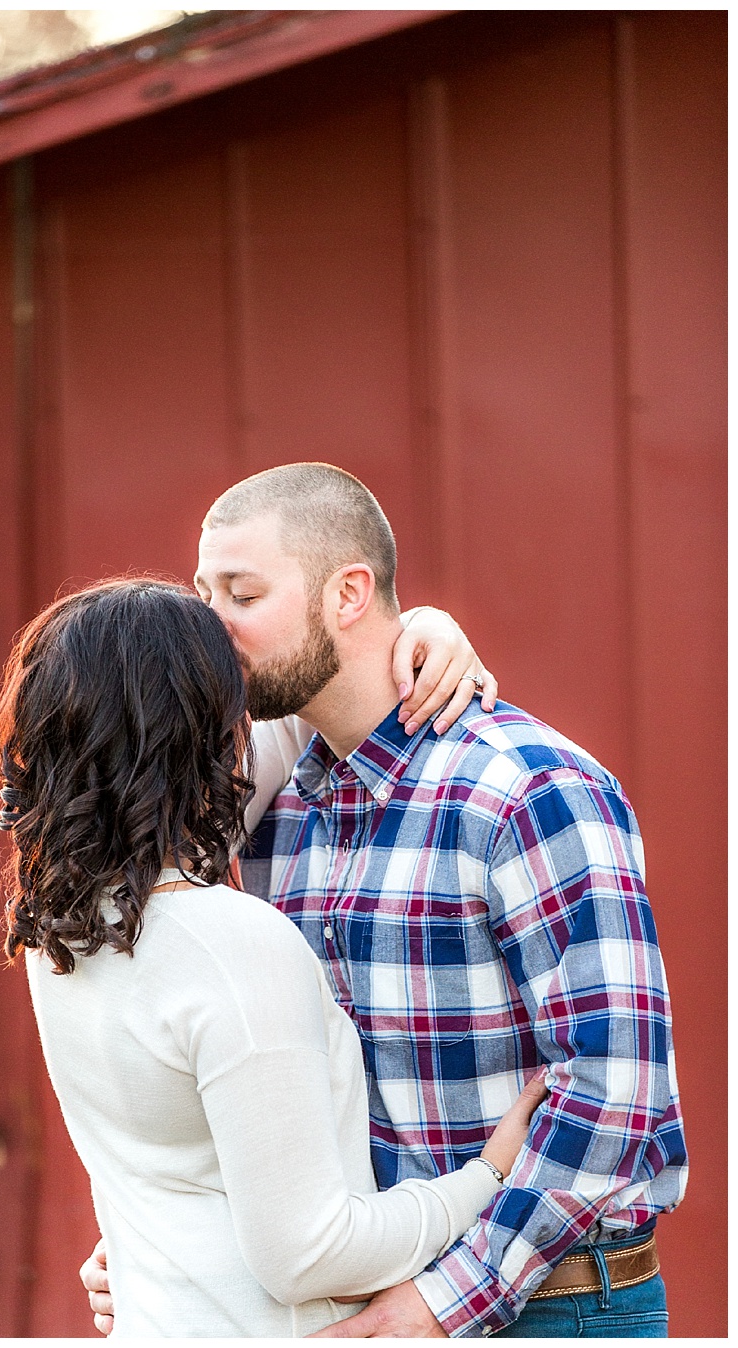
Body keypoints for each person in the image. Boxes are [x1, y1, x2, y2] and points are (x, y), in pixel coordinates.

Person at [81, 463, 686, 1337]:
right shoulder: (278, 807)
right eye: (203, 596)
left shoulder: (528, 790)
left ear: (349, 594)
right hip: (364, 1294)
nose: (210, 629)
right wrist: (167, 1240)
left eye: (241, 596)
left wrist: (447, 1301)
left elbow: (615, 1084)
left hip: (548, 1305)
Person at [0, 577, 548, 1336]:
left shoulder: (63, 929)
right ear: (201, 735)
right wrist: (485, 1177)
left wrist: (406, 632)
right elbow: (309, 1254)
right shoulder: (232, 946)